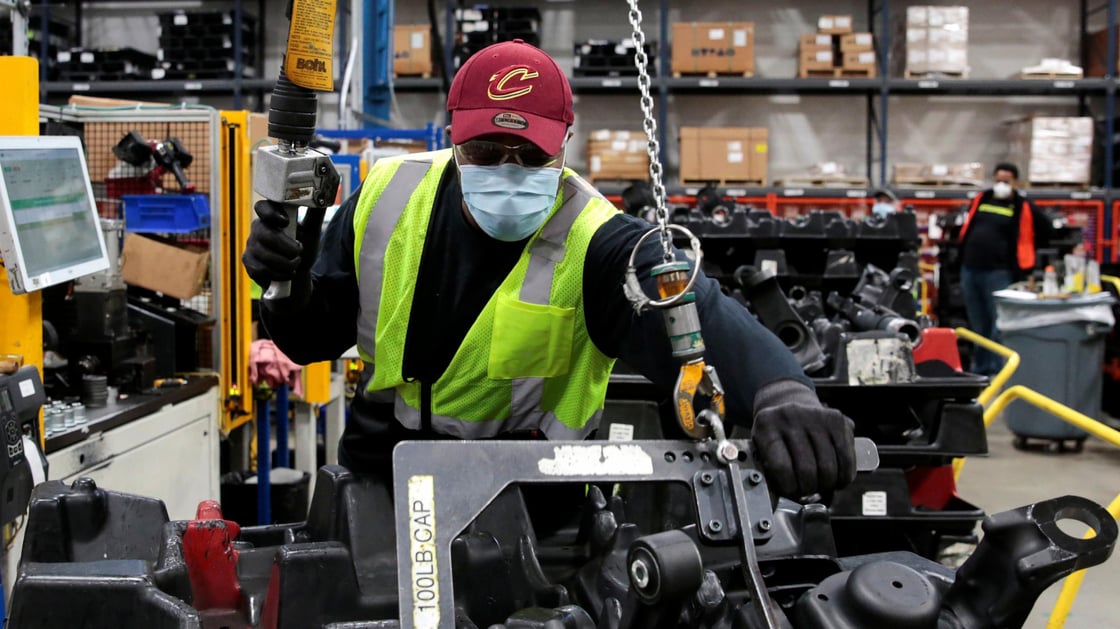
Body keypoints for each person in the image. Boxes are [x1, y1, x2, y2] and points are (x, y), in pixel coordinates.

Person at [242, 39, 856, 499]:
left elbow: (694, 306)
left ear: (563, 145)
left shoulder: (598, 241)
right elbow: (309, 340)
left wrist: (781, 390)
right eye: (485, 150)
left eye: (531, 154)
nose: (508, 168)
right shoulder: (387, 194)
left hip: (529, 496)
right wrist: (285, 282)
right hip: (383, 475)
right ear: (454, 138)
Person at [957, 162, 1037, 375]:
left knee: (997, 325)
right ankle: (980, 369)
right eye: (998, 180)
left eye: (1006, 181)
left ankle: (997, 371)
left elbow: (1042, 229)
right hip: (971, 270)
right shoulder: (982, 199)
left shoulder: (1020, 205)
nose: (1001, 185)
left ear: (1015, 183)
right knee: (978, 324)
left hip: (999, 273)